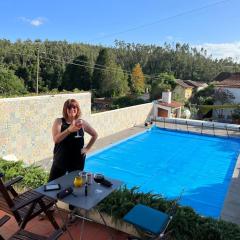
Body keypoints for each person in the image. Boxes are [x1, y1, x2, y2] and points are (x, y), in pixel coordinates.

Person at [49, 98, 98, 181]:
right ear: (66, 109)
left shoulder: (81, 122)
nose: (72, 109)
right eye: (69, 107)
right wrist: (69, 130)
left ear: (77, 109)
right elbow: (56, 140)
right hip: (61, 161)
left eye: (74, 107)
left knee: (74, 186)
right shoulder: (59, 122)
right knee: (52, 184)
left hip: (77, 162)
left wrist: (87, 149)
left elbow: (95, 135)